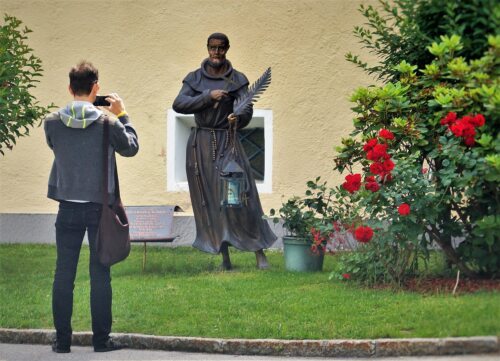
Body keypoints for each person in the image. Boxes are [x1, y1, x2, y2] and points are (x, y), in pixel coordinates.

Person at [44, 61, 139, 353]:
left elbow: (56, 147)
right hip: (100, 208)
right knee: (100, 275)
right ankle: (101, 341)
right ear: (95, 87)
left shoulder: (51, 122)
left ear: (70, 88)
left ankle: (62, 342)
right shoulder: (107, 123)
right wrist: (121, 113)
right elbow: (131, 147)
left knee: (63, 274)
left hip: (67, 208)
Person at [172, 33, 276, 270]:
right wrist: (208, 96)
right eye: (212, 48)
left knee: (241, 198)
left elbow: (247, 110)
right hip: (201, 145)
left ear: (227, 49)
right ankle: (224, 257)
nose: (216, 53)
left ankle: (259, 253)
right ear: (207, 48)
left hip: (228, 141)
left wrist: (236, 117)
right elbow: (179, 104)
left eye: (220, 48)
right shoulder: (194, 78)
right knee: (210, 201)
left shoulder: (237, 79)